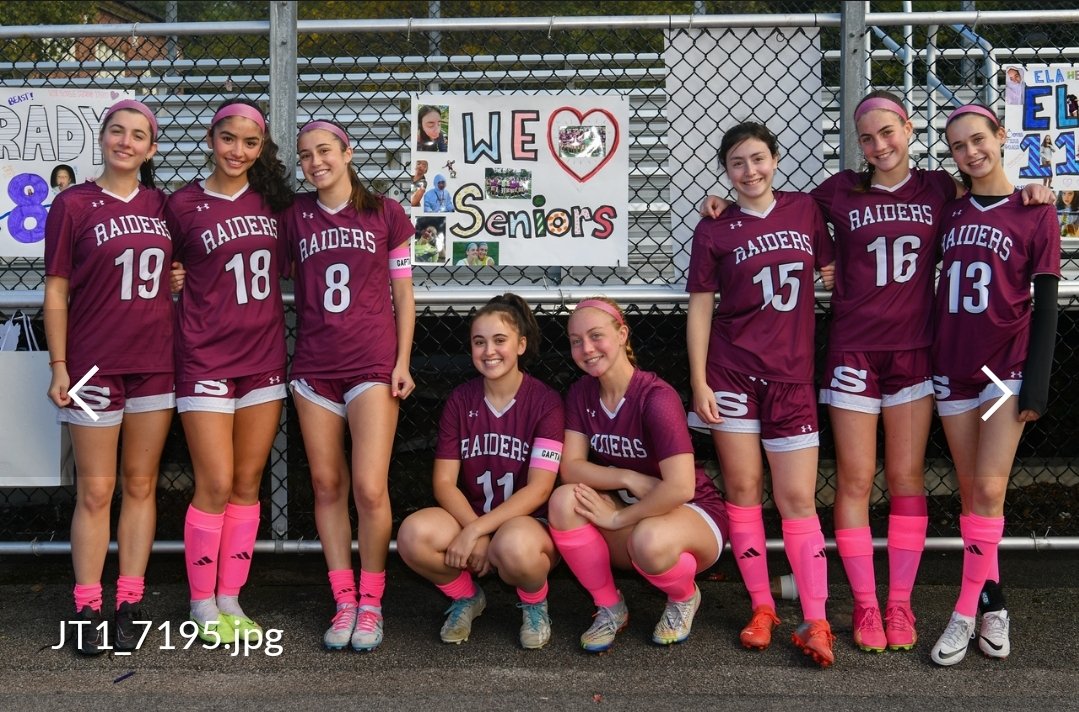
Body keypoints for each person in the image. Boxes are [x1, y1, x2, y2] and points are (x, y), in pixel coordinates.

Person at [699, 90, 1053, 655]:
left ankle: (900, 603)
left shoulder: (942, 187)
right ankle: (865, 604)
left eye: (888, 132)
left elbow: (997, 197)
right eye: (867, 137)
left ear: (909, 129)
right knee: (857, 480)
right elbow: (773, 202)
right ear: (858, 145)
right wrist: (722, 199)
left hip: (921, 354)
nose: (880, 145)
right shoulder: (840, 190)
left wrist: (1039, 189)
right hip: (852, 352)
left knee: (910, 479)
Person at [687, 121, 836, 667]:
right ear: (725, 171)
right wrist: (699, 379)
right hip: (731, 372)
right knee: (745, 490)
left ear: (775, 159)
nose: (750, 172)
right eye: (737, 164)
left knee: (798, 499)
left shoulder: (804, 210)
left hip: (792, 376)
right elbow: (701, 306)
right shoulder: (715, 228)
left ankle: (816, 619)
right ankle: (762, 607)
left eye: (758, 159)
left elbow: (831, 272)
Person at [929, 104, 1060, 666]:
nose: (970, 152)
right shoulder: (950, 210)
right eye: (958, 146)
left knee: (987, 491)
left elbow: (1048, 304)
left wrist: (1037, 385)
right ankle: (995, 603)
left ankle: (962, 614)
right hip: (951, 366)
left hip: (1000, 371)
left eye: (978, 140)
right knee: (973, 495)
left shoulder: (1035, 210)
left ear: (1001, 137)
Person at [44, 99, 174, 655]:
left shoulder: (164, 206)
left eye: (137, 135)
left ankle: (130, 600)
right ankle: (86, 604)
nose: (126, 141)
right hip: (94, 366)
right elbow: (55, 290)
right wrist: (59, 366)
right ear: (102, 137)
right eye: (117, 131)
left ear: (151, 148)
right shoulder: (72, 203)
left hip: (155, 362)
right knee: (96, 492)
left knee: (142, 485)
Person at [281, 119, 416, 652]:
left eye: (325, 151)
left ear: (347, 151)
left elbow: (404, 294)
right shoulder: (294, 216)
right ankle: (343, 598)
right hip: (314, 366)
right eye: (306, 155)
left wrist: (403, 360)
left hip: (371, 365)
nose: (316, 162)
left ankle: (372, 599)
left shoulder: (385, 212)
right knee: (326, 487)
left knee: (369, 487)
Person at [164, 99, 293, 644]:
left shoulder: (276, 204)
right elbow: (157, 264)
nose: (236, 151)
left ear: (261, 148)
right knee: (214, 480)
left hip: (263, 356)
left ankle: (230, 598)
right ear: (210, 139)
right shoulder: (182, 204)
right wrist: (173, 280)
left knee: (245, 481)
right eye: (227, 138)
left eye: (249, 142)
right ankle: (200, 601)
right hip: (204, 355)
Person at [548, 297, 729, 653]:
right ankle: (609, 606)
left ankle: (683, 597)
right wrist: (628, 478)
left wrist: (618, 517)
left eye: (596, 335)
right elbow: (570, 467)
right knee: (563, 500)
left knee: (648, 540)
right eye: (575, 340)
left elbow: (680, 486)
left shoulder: (655, 397)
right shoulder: (582, 392)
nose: (586, 348)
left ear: (621, 334)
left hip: (692, 515)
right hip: (636, 513)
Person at [397, 294, 563, 649]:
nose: (489, 351)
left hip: (529, 524)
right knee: (413, 535)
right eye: (479, 342)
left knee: (514, 545)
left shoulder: (545, 401)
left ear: (520, 345)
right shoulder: (461, 399)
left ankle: (535, 605)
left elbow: (540, 490)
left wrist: (476, 531)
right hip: (472, 515)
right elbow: (443, 483)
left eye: (500, 340)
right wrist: (475, 530)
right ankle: (466, 597)